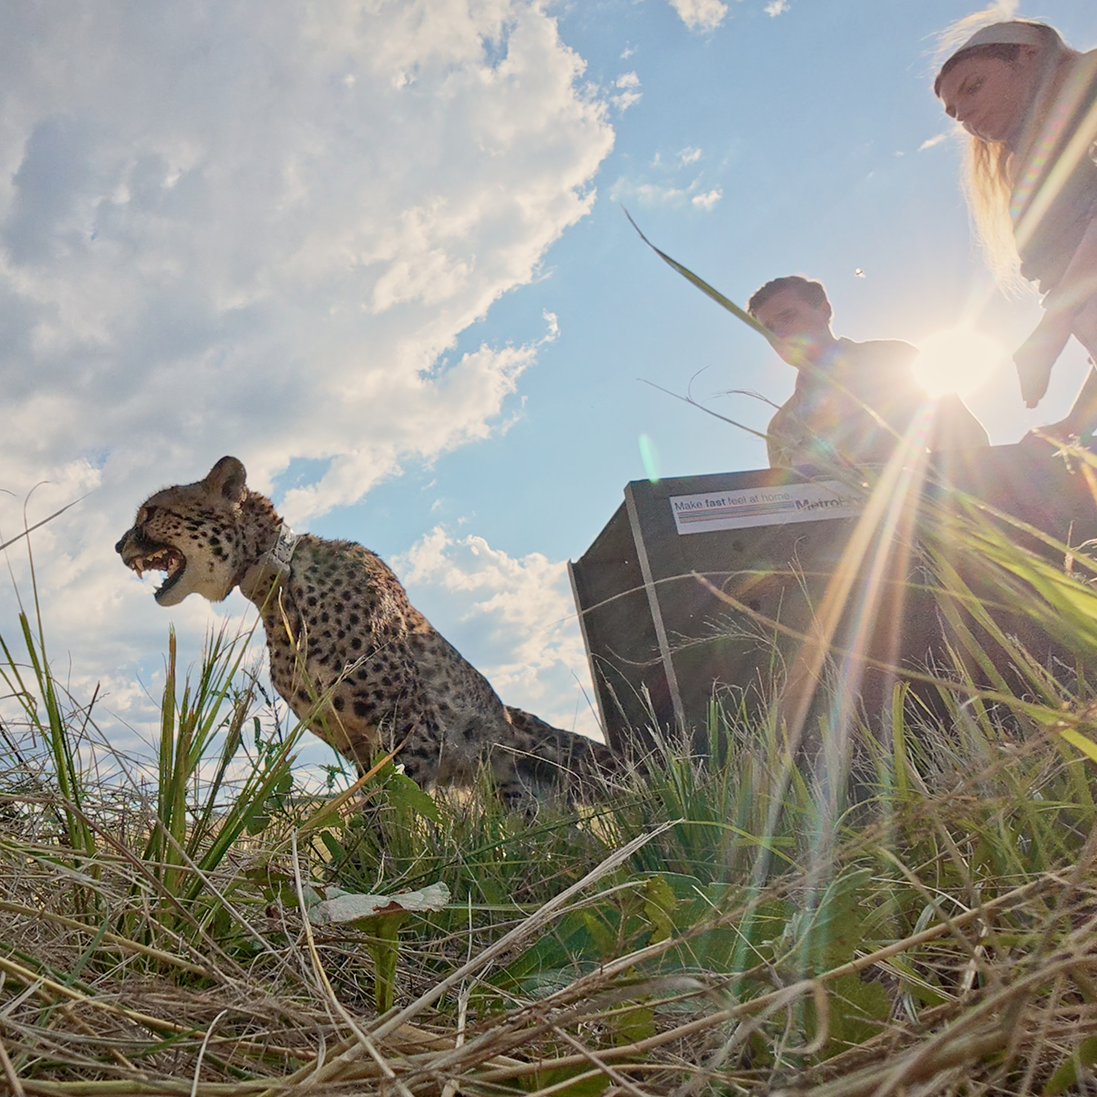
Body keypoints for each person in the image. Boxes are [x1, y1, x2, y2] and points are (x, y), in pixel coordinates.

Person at [934, 19, 1097, 437]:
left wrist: (1052, 327)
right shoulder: (1034, 176)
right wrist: (1076, 426)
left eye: (972, 87)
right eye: (954, 114)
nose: (964, 116)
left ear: (1031, 55)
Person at [747, 275, 989, 469]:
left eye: (788, 317)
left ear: (824, 311)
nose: (779, 335)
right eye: (768, 329)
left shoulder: (892, 361)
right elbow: (787, 505)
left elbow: (964, 442)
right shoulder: (780, 427)